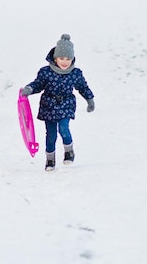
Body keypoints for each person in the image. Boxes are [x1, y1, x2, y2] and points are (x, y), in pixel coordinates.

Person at [21, 34, 95, 171]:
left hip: (66, 104)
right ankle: (50, 159)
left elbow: (83, 87)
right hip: (48, 106)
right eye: (62, 58)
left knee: (63, 128)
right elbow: (38, 84)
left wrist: (90, 100)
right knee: (51, 135)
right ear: (55, 58)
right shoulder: (46, 72)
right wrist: (29, 89)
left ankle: (69, 151)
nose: (65, 62)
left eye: (68, 59)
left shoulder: (75, 73)